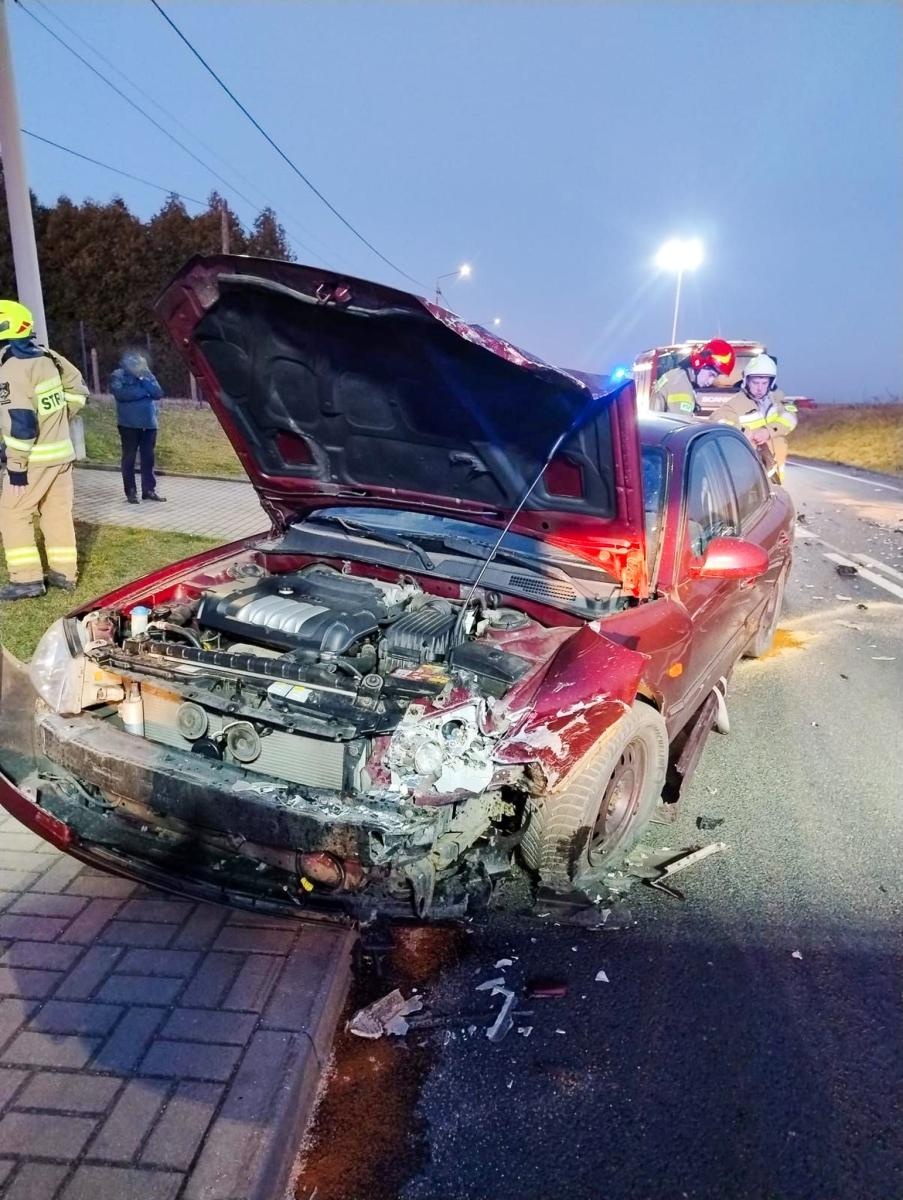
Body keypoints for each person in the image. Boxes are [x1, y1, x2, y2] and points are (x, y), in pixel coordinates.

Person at [0, 300, 89, 602]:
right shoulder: (48, 357)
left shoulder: (12, 366)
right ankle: (64, 574)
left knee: (12, 513)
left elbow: (21, 424)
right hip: (61, 455)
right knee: (56, 515)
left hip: (33, 459)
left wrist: (16, 466)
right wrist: (60, 418)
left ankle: (26, 580)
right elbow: (78, 389)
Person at [714, 354, 797, 482]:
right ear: (746, 381)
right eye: (755, 383)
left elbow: (791, 418)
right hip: (751, 476)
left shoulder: (778, 399)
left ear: (771, 382)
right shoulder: (735, 404)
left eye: (764, 383)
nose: (760, 388)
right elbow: (716, 420)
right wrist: (744, 432)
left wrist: (768, 431)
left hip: (776, 472)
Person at [109, 350, 165, 504]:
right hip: (129, 425)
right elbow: (122, 395)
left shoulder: (147, 374)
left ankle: (149, 490)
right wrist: (145, 392)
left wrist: (144, 380)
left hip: (149, 424)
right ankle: (131, 492)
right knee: (129, 458)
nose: (139, 367)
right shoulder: (118, 375)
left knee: (148, 459)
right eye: (136, 364)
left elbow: (158, 393)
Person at [649, 339, 737, 415]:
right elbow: (681, 429)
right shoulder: (681, 388)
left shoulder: (675, 376)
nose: (710, 382)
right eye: (711, 375)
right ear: (699, 364)